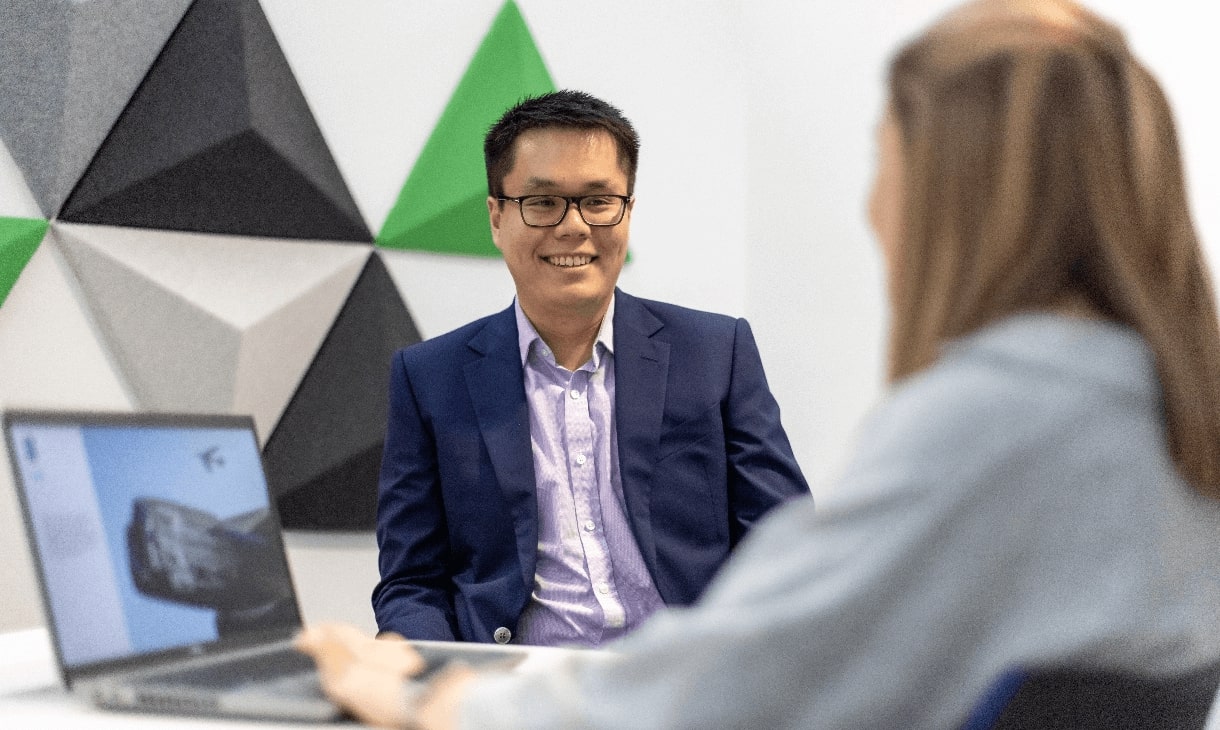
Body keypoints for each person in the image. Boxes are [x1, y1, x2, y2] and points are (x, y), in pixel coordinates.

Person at [301, 1, 1220, 726]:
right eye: (543, 202)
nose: (872, 207)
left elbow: (783, 664)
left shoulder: (990, 416)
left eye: (884, 163)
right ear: (497, 217)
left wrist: (441, 708)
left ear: (958, 189)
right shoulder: (1157, 401)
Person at [371, 90, 811, 648]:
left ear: (628, 210)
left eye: (599, 201)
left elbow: (784, 540)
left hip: (686, 674)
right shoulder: (430, 378)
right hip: (516, 681)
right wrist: (414, 659)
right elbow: (413, 582)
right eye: (543, 202)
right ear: (497, 217)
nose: (574, 226)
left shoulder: (715, 352)